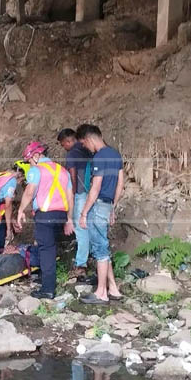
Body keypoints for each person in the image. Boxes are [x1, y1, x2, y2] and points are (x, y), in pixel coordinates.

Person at [15, 141, 74, 299]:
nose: (29, 164)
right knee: (49, 245)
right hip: (61, 215)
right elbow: (70, 197)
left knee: (46, 249)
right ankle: (43, 277)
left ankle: (48, 289)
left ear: (36, 156)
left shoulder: (36, 170)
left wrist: (20, 210)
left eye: (29, 160)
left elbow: (30, 192)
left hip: (45, 214)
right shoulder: (63, 171)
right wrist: (69, 219)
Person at [77, 124, 125, 304]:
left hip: (97, 207)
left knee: (100, 250)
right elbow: (120, 184)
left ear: (89, 139)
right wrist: (113, 207)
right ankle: (113, 289)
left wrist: (83, 213)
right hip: (107, 206)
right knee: (103, 247)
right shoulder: (115, 154)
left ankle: (101, 293)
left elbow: (95, 187)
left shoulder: (99, 157)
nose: (85, 148)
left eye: (84, 144)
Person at [59, 128, 93, 278]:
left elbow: (72, 175)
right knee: (89, 226)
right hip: (91, 193)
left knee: (80, 229)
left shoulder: (72, 154)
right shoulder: (87, 150)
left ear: (68, 141)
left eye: (63, 144)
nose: (64, 148)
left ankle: (81, 264)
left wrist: (70, 196)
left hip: (79, 194)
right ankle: (92, 257)